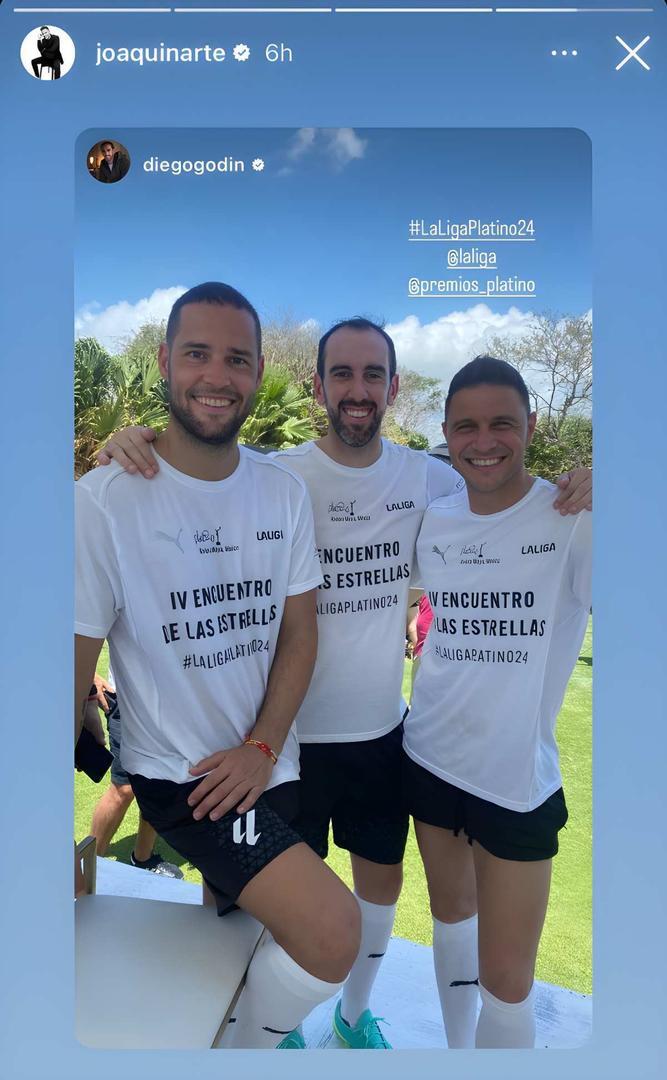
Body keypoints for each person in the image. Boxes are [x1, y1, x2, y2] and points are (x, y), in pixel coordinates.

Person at [98, 318, 591, 1050]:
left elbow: (504, 491)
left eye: (372, 376)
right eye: (341, 374)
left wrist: (603, 476)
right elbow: (189, 487)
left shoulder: (435, 479)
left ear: (393, 388)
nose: (356, 391)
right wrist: (129, 440)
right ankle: (269, 1025)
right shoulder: (275, 475)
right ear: (317, 384)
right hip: (280, 739)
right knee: (248, 904)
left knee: (378, 891)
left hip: (386, 737)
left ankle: (354, 1018)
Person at [75, 282, 360, 1049]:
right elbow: (68, 670)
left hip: (272, 762)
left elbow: (300, 635)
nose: (216, 374)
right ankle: (244, 1052)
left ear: (259, 371)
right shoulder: (104, 500)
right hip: (184, 779)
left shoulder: (282, 491)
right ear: (165, 362)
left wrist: (262, 747)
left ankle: (232, 1036)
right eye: (197, 353)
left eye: (236, 359)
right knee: (335, 933)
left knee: (237, 933)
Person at [403, 355, 592, 1048]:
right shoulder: (437, 520)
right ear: (447, 435)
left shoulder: (575, 516)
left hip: (515, 783)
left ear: (531, 426)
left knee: (508, 984)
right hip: (426, 755)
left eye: (502, 424)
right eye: (467, 426)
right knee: (450, 925)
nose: (484, 441)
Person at [86, 673, 183, 877]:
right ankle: (86, 870)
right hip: (128, 700)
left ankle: (143, 859)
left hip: (174, 704)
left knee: (158, 782)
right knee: (124, 788)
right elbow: (73, 641)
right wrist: (90, 677)